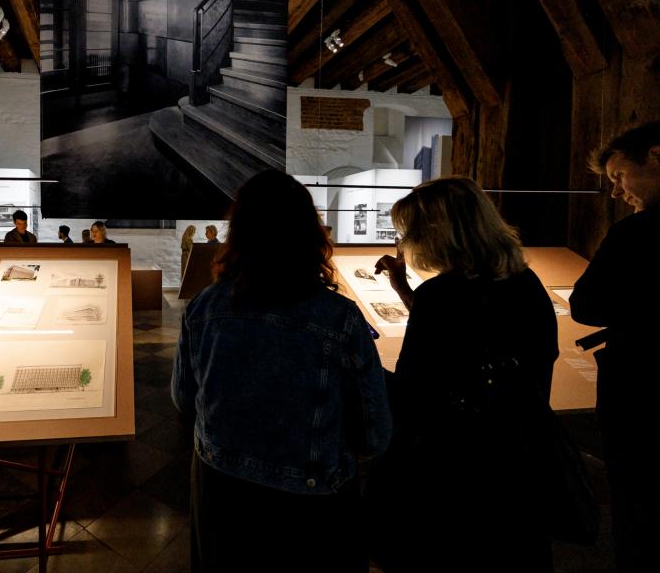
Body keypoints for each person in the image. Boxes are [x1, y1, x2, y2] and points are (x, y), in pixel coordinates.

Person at [172, 170, 391, 572]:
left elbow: (184, 398)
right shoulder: (338, 318)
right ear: (309, 234)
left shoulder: (204, 308)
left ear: (239, 233)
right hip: (311, 505)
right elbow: (375, 432)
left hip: (221, 492)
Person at [368, 176, 559, 573]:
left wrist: (362, 368)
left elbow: (412, 392)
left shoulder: (444, 295)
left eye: (409, 232)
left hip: (452, 469)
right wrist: (403, 285)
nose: (406, 242)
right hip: (516, 459)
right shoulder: (525, 282)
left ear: (436, 232)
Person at [569, 123, 660, 573]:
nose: (616, 192)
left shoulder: (636, 234)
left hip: (641, 395)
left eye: (619, 176)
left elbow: (586, 304)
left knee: (638, 507)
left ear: (656, 156)